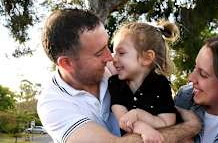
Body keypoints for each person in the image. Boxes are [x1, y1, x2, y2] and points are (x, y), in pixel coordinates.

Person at [37, 8, 201, 143]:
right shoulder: (53, 103)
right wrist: (189, 127)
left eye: (108, 47)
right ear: (67, 63)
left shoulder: (118, 71)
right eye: (99, 53)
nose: (110, 58)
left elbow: (158, 106)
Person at [108, 21, 179, 142]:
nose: (113, 58)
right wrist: (141, 127)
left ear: (146, 58)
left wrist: (139, 114)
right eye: (114, 52)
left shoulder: (160, 84)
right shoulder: (115, 83)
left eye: (121, 53)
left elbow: (167, 122)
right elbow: (123, 120)